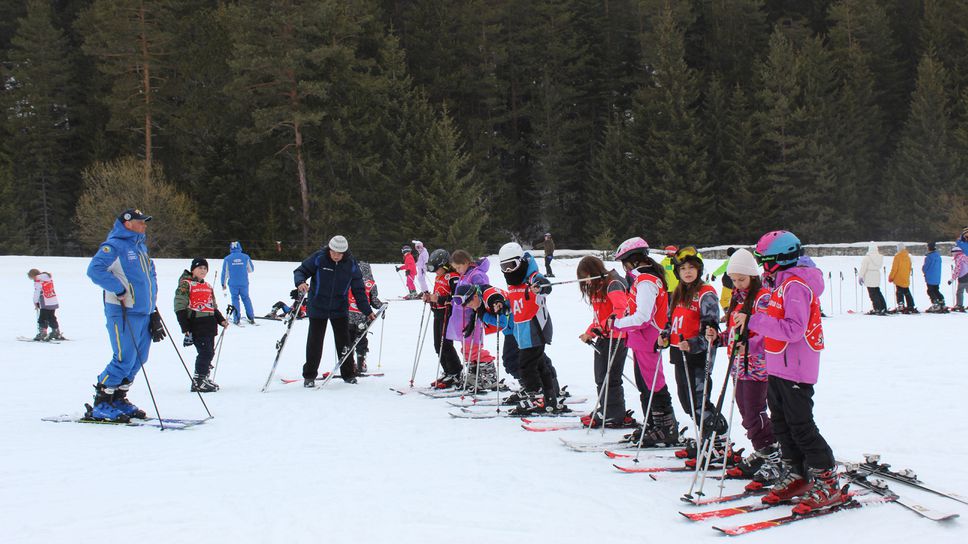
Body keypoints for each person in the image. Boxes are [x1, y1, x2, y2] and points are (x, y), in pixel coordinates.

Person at [742, 230, 839, 513]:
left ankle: (828, 480)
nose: (762, 266)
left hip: (795, 368)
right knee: (781, 424)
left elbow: (794, 330)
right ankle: (797, 473)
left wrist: (754, 321)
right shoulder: (780, 284)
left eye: (765, 260)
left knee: (801, 425)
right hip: (777, 365)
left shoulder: (796, 285)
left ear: (779, 259)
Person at [705, 249, 779, 486]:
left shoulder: (762, 298)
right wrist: (719, 338)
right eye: (733, 280)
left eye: (741, 279)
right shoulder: (737, 298)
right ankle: (763, 451)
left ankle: (773, 456)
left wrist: (750, 345)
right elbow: (735, 333)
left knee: (754, 412)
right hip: (738, 364)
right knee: (746, 412)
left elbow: (768, 333)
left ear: (753, 276)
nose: (737, 284)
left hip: (757, 365)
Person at [85, 208, 165, 422]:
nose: (144, 225)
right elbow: (94, 270)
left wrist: (153, 308)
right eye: (140, 222)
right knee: (124, 358)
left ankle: (119, 398)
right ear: (127, 223)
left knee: (139, 358)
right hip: (123, 311)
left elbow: (150, 276)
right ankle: (101, 402)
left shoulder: (140, 247)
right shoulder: (114, 246)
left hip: (143, 312)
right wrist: (118, 289)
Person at [611, 237, 679, 446]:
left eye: (624, 262)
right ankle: (652, 423)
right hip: (640, 340)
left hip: (648, 339)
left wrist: (619, 324)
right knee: (644, 384)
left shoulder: (646, 281)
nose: (624, 267)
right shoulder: (642, 279)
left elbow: (643, 317)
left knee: (654, 384)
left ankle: (666, 427)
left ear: (632, 260)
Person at [294, 235, 376, 386]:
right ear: (329, 249)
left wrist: (367, 310)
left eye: (340, 253)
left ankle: (348, 374)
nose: (336, 256)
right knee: (315, 342)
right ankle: (309, 376)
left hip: (339, 308)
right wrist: (300, 282)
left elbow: (359, 290)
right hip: (318, 306)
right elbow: (301, 270)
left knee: (344, 342)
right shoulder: (319, 258)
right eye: (333, 252)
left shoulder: (351, 264)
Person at [668, 246, 723, 434]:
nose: (687, 272)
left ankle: (715, 437)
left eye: (691, 267)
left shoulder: (706, 294)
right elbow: (671, 321)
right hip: (679, 353)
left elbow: (711, 332)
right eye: (683, 268)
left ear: (699, 269)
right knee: (686, 401)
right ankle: (712, 433)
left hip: (698, 356)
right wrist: (664, 335)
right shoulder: (678, 292)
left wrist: (692, 344)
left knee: (698, 402)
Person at [577, 255, 635, 428]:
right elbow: (599, 316)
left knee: (610, 378)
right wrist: (590, 332)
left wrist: (601, 328)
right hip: (605, 337)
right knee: (602, 377)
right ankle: (609, 409)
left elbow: (620, 310)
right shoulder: (598, 287)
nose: (586, 281)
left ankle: (613, 414)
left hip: (616, 337)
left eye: (587, 276)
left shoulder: (613, 283)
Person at [174, 258, 229, 392]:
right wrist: (185, 327)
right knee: (205, 352)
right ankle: (198, 381)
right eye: (200, 268)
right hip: (197, 323)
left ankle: (203, 377)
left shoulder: (207, 286)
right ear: (193, 269)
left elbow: (212, 306)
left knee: (210, 352)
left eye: (205, 268)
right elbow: (179, 305)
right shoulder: (186, 284)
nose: (203, 271)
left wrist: (221, 320)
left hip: (209, 323)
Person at [446, 250, 496, 382]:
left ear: (466, 262)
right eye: (455, 268)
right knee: (466, 350)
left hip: (472, 318)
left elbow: (483, 292)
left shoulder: (476, 275)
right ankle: (474, 375)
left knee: (473, 349)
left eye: (459, 267)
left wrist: (477, 307)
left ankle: (488, 373)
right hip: (461, 319)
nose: (458, 270)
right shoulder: (464, 276)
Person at [423, 249, 464, 388]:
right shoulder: (438, 277)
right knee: (437, 345)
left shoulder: (453, 277)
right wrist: (430, 298)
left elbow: (456, 297)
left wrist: (439, 299)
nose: (436, 272)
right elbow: (437, 294)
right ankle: (447, 371)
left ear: (445, 265)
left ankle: (456, 372)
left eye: (437, 269)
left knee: (445, 344)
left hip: (448, 313)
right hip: (438, 313)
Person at [347, 262, 383, 374]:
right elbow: (374, 300)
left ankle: (349, 364)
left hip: (348, 316)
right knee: (361, 340)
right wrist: (382, 306)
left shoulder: (348, 281)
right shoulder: (370, 284)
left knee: (348, 340)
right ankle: (360, 362)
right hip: (362, 317)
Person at [221, 241, 256, 325]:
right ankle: (251, 317)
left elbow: (224, 273)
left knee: (235, 299)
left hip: (233, 284)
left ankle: (236, 318)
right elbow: (251, 270)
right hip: (244, 283)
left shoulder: (227, 259)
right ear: (240, 247)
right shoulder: (245, 257)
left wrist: (223, 283)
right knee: (246, 298)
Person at [27, 268, 63, 341]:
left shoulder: (38, 281)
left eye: (31, 278)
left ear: (33, 276)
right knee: (51, 317)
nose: (33, 280)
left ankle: (43, 333)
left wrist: (35, 302)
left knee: (42, 318)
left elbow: (37, 293)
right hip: (53, 301)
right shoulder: (48, 278)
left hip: (45, 303)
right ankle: (56, 332)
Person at [858, 243, 887, 315]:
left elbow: (863, 268)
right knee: (877, 292)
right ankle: (883, 307)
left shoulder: (867, 258)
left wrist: (860, 276)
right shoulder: (880, 257)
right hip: (877, 274)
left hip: (869, 275)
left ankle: (877, 308)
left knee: (872, 294)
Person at [888, 242, 916, 313]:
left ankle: (901, 305)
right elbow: (909, 268)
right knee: (906, 291)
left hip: (898, 277)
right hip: (905, 277)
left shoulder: (897, 257)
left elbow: (894, 268)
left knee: (899, 292)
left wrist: (891, 277)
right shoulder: (908, 257)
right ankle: (911, 305)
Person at [922, 242, 946, 312]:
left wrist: (924, 271)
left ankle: (935, 304)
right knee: (936, 290)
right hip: (937, 277)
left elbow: (926, 267)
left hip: (930, 276)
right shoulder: (938, 256)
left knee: (930, 291)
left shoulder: (929, 257)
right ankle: (941, 301)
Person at [950, 246, 968, 311]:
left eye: (952, 252)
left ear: (956, 252)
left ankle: (959, 305)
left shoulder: (958, 258)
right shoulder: (965, 256)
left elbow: (958, 269)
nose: (952, 254)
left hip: (963, 276)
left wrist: (952, 279)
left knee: (960, 291)